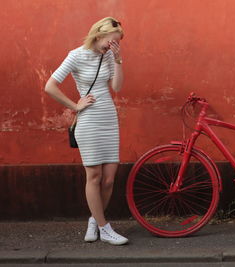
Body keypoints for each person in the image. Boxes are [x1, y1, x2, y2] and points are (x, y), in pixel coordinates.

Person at [44, 17, 128, 245]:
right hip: (88, 120)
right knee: (94, 175)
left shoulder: (110, 55)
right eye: (111, 42)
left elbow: (117, 87)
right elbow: (49, 86)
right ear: (98, 35)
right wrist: (75, 105)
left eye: (116, 43)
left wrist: (118, 59)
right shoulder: (76, 55)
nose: (111, 46)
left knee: (109, 179)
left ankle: (95, 220)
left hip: (108, 118)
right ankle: (105, 228)